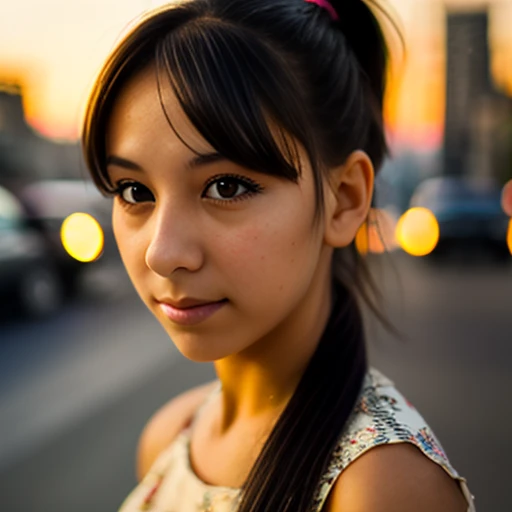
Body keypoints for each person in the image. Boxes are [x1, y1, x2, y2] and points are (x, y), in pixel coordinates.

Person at [82, 0, 476, 510]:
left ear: (345, 199)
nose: (163, 253)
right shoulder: (171, 435)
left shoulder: (379, 486)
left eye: (225, 187)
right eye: (135, 192)